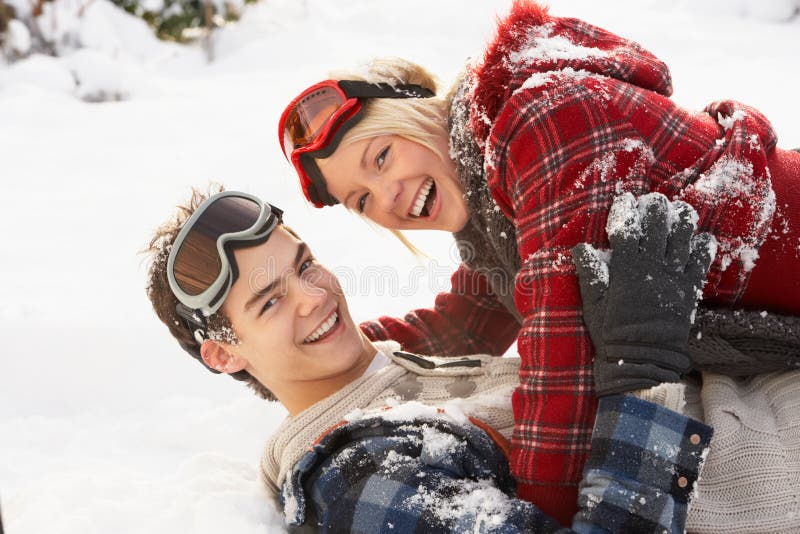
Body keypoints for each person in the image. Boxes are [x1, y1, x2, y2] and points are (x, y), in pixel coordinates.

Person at [276, 0, 800, 521]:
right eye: (361, 200)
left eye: (381, 155)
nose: (386, 196)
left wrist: (541, 514)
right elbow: (461, 327)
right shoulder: (487, 205)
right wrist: (306, 352)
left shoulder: (544, 122)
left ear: (417, 111)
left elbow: (563, 356)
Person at [144, 188, 715, 533]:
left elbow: (467, 310)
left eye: (305, 265)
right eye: (269, 302)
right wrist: (644, 370)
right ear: (223, 354)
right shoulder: (358, 476)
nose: (315, 297)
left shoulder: (393, 366)